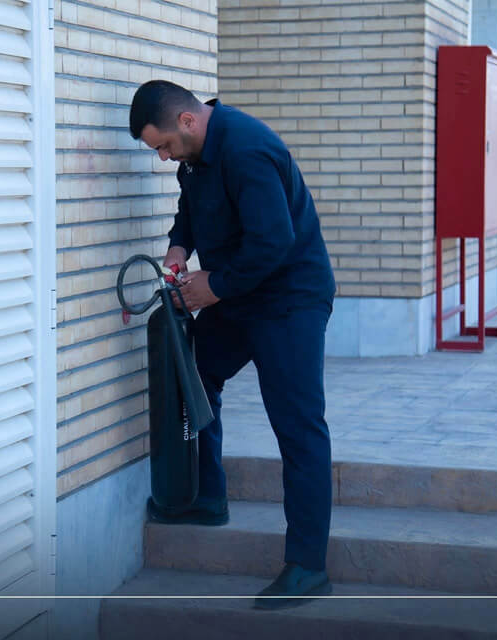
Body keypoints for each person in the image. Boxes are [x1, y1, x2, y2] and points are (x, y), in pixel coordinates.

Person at [129, 80, 337, 609]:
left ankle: (308, 565)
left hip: (290, 300)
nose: (163, 157)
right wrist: (178, 250)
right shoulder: (195, 156)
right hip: (242, 294)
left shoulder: (247, 148)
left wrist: (214, 286)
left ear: (187, 121)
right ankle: (208, 496)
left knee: (297, 424)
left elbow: (274, 240)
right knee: (195, 372)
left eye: (163, 146)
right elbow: (190, 213)